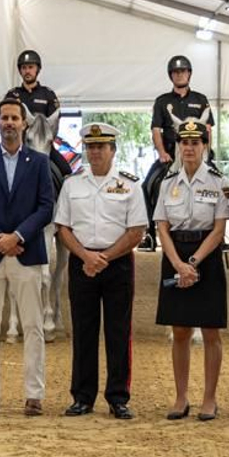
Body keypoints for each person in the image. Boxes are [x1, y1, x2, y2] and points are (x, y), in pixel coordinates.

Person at [0, 98, 56, 416]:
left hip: (26, 252)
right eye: (4, 117)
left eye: (14, 117)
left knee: (33, 325)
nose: (9, 123)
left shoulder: (40, 163)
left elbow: (46, 207)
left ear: (24, 123)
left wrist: (16, 237)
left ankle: (34, 393)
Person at [55, 122, 148, 419]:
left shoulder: (130, 184)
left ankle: (118, 398)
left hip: (117, 263)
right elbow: (63, 229)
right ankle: (82, 397)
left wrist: (104, 257)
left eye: (101, 146)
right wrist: (86, 256)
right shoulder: (72, 184)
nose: (95, 152)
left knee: (118, 331)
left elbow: (136, 231)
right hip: (82, 263)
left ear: (112, 150)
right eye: (91, 146)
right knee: (84, 331)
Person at [153, 119, 229, 421]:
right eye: (184, 143)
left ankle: (209, 398)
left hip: (205, 258)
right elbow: (162, 226)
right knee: (180, 330)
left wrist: (193, 264)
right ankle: (181, 396)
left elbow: (219, 229)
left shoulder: (218, 182)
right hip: (175, 254)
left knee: (211, 331)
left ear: (204, 146)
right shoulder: (166, 183)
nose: (189, 148)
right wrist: (177, 264)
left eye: (195, 143)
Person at [144, 55, 215, 249]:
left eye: (183, 71)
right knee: (147, 185)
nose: (180, 74)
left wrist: (206, 152)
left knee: (219, 183)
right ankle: (149, 233)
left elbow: (208, 129)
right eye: (176, 72)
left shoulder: (201, 100)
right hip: (170, 154)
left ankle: (219, 233)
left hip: (199, 152)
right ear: (171, 76)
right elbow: (156, 130)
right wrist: (161, 153)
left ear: (189, 73)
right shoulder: (162, 101)